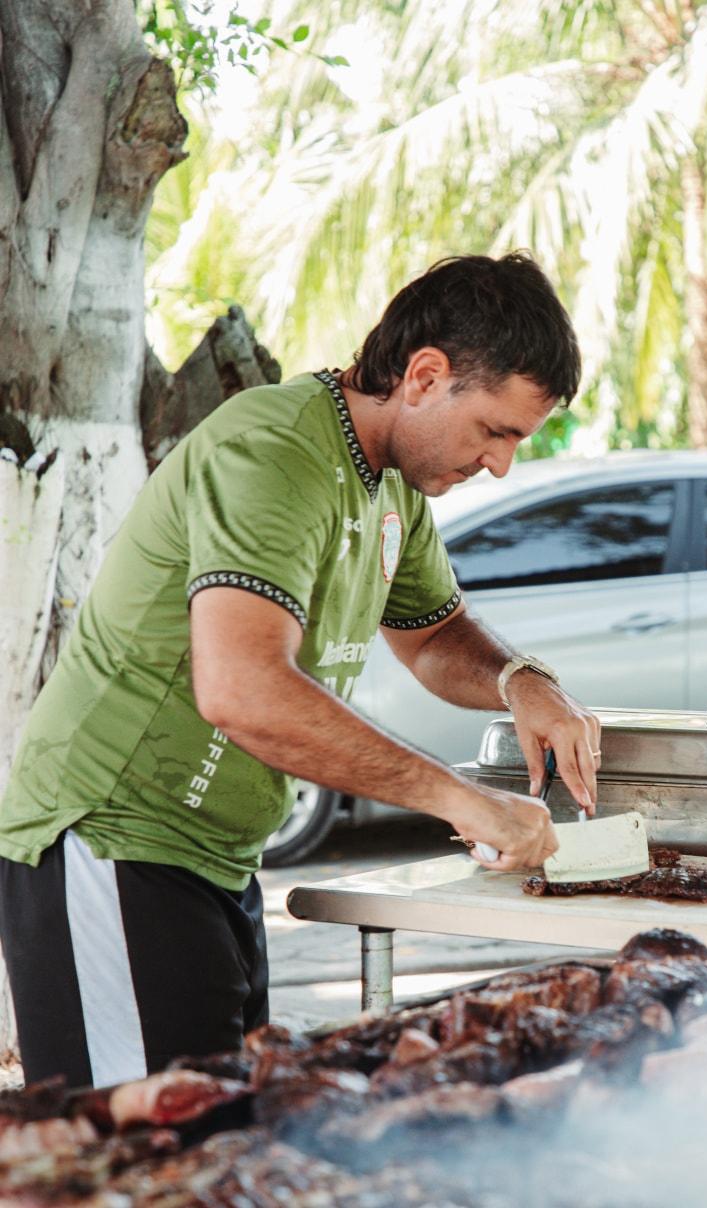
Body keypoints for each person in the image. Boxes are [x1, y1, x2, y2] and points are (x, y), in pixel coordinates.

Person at [0, 252, 600, 1090]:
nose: (500, 464)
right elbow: (243, 692)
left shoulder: (392, 486)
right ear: (425, 376)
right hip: (112, 838)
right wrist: (460, 799)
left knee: (222, 1141)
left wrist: (522, 681)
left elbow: (433, 635)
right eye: (495, 431)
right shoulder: (274, 450)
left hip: (217, 856)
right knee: (148, 1164)